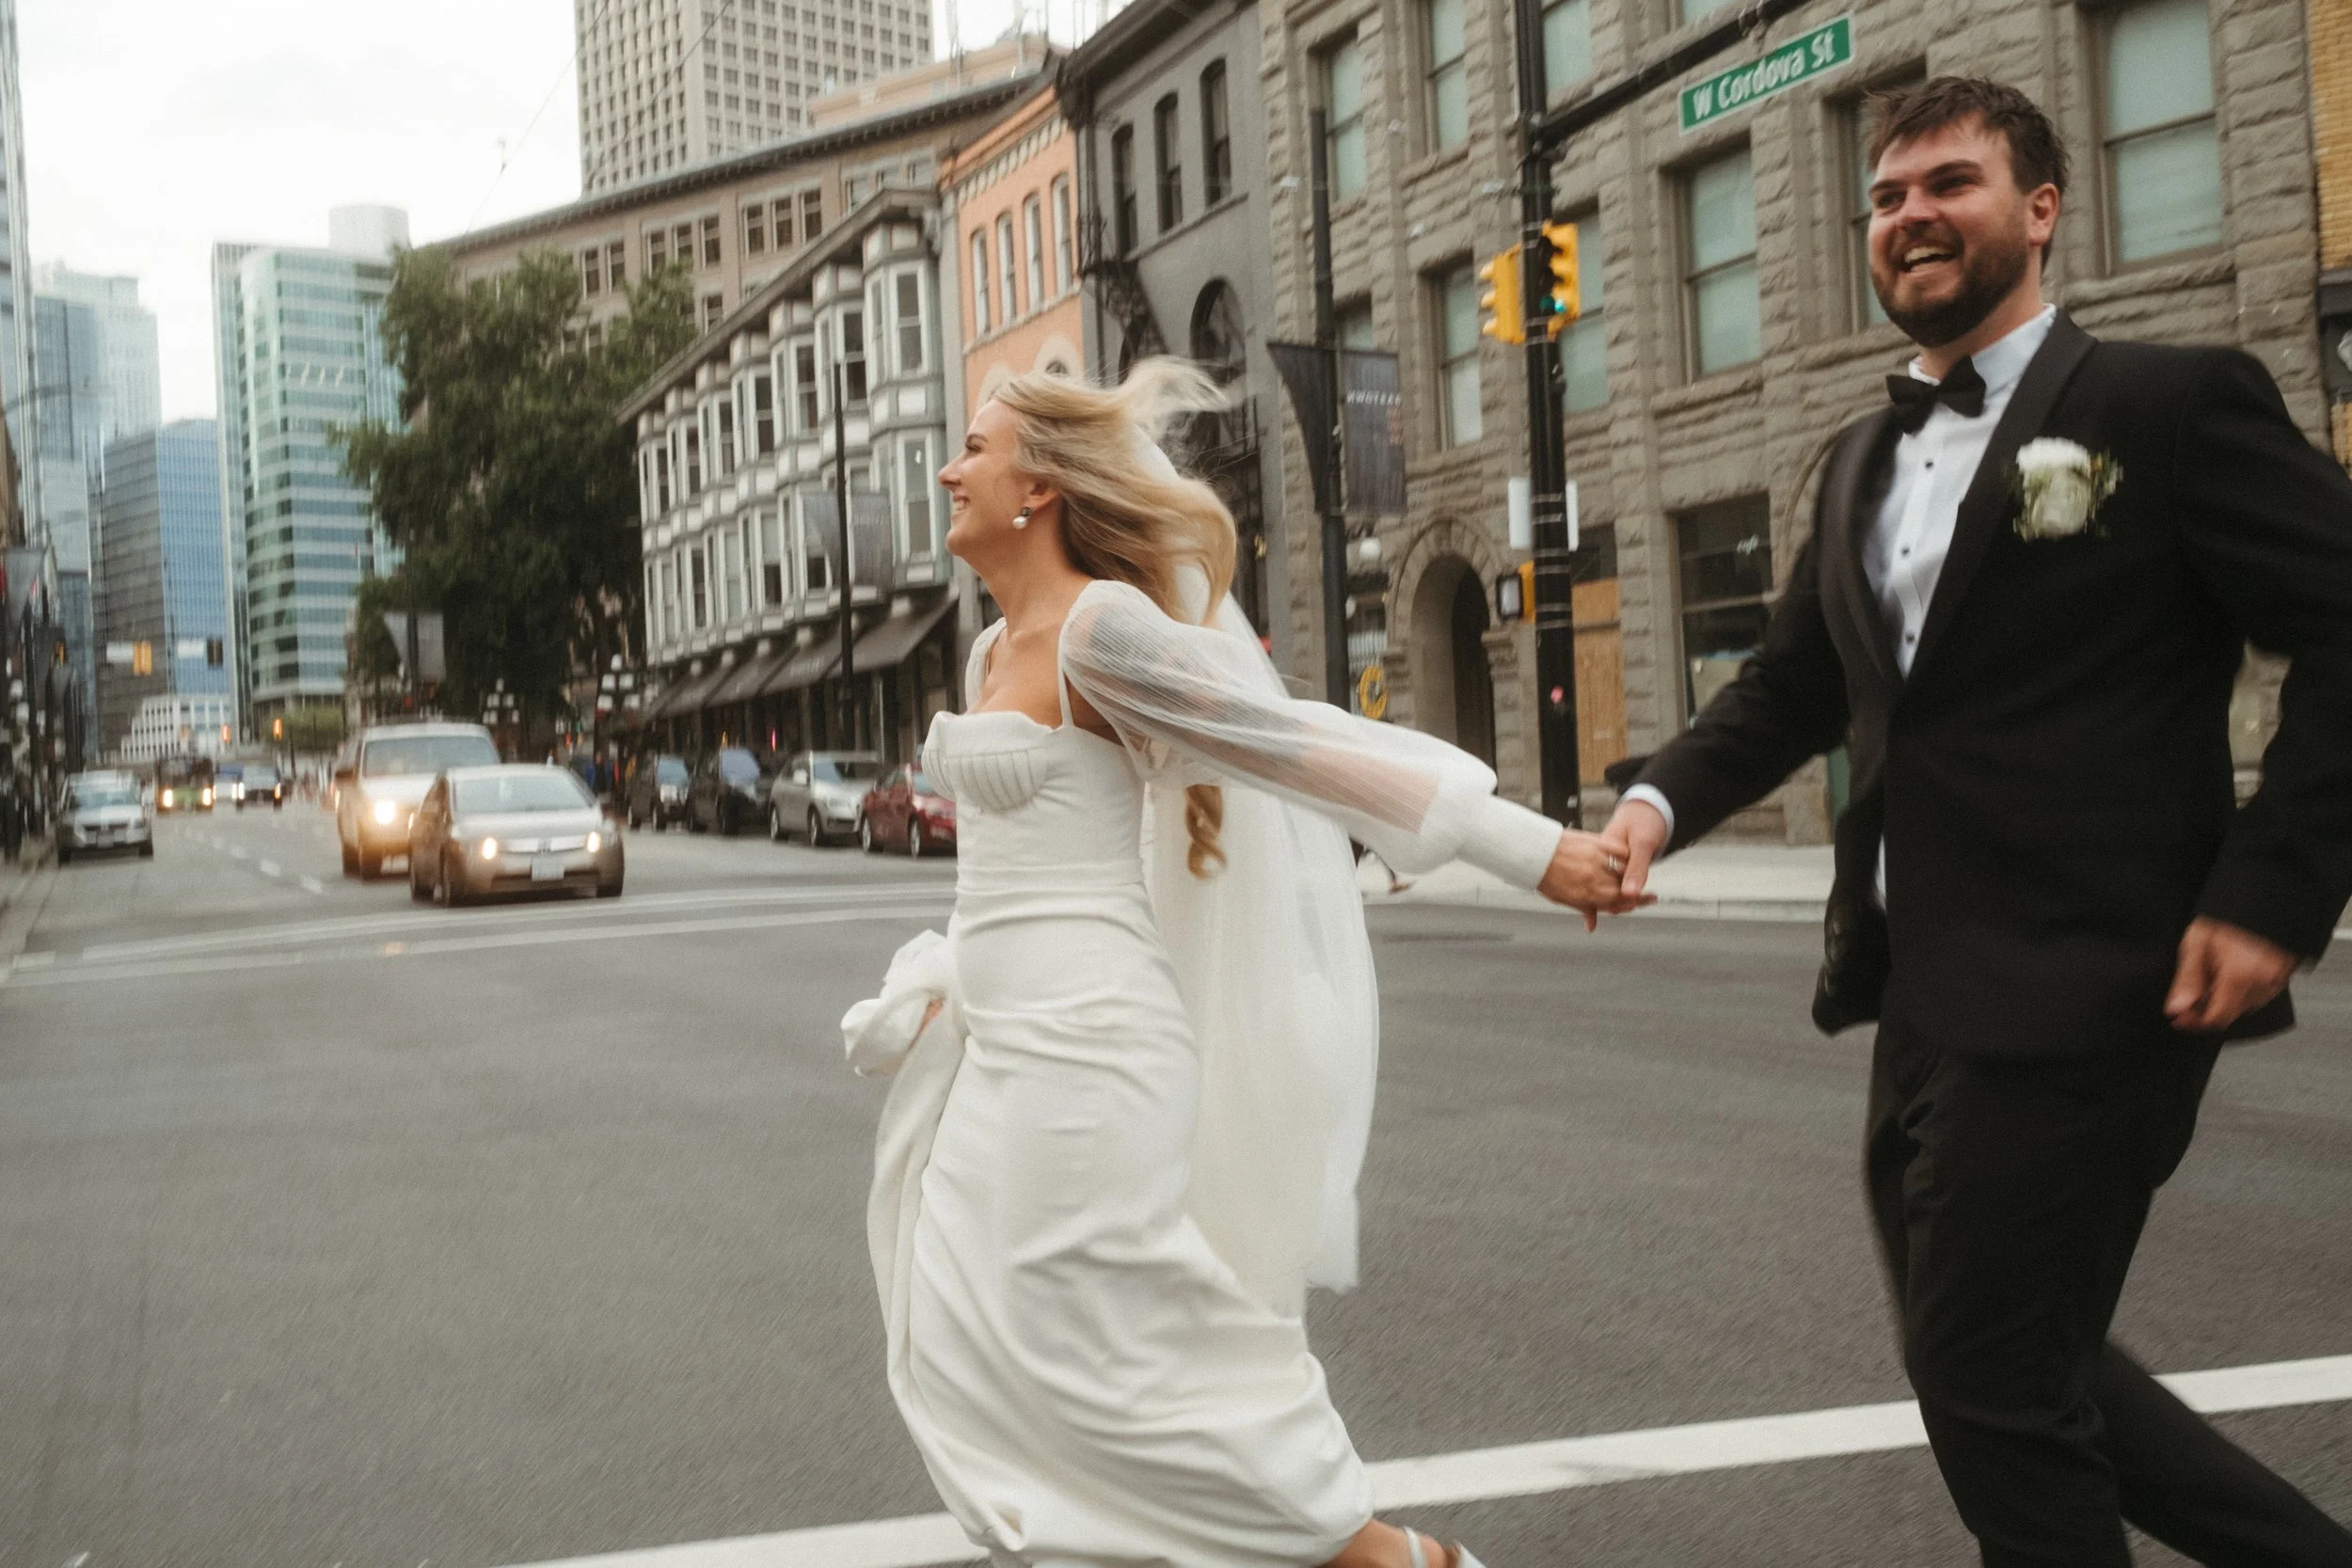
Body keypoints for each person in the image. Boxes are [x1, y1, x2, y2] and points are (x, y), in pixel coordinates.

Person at [1597, 77, 2352, 1568]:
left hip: (2103, 978)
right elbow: (1801, 680)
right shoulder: (1864, 459)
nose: (1912, 216)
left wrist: (2274, 887)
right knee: (2020, 1363)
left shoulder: (2167, 404)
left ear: (2041, 208)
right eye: (1886, 197)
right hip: (1920, 991)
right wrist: (1653, 799)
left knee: (1990, 1375)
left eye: (1950, 182)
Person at [845, 360, 1631, 1568]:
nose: (949, 469)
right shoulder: (990, 648)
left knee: (1127, 1340)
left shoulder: (1104, 631)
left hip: (1094, 1054)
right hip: (1002, 1047)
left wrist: (1532, 848)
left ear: (1038, 482)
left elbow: (1299, 748)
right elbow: (1009, 868)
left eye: (972, 447)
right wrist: (952, 974)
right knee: (968, 1323)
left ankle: (1375, 1554)